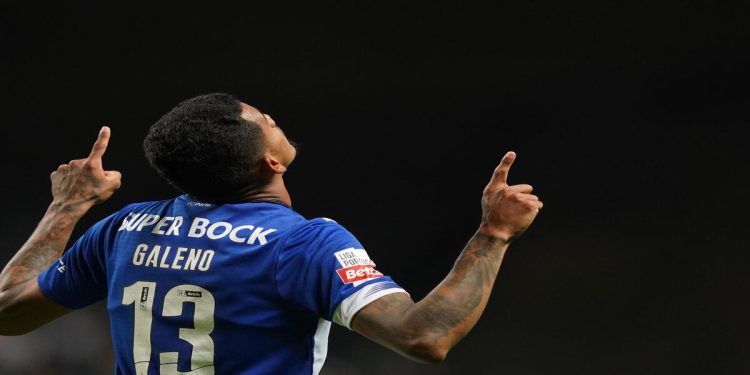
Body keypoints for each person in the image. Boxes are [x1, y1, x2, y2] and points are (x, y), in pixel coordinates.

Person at [0, 93, 543, 374]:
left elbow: (9, 310)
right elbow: (424, 336)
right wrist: (493, 234)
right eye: (266, 119)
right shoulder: (302, 244)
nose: (274, 118)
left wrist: (67, 206)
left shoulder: (124, 229)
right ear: (271, 164)